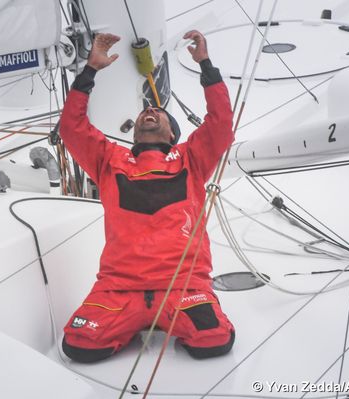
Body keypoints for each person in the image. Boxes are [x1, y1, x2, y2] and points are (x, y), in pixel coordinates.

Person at [59, 30, 235, 363]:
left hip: (183, 287)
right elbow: (73, 127)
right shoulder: (110, 160)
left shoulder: (191, 159)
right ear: (136, 130)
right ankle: (135, 324)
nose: (149, 111)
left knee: (214, 341)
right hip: (117, 289)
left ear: (172, 134)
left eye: (159, 113)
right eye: (143, 113)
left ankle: (168, 322)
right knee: (78, 345)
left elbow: (221, 123)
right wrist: (89, 72)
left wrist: (206, 66)